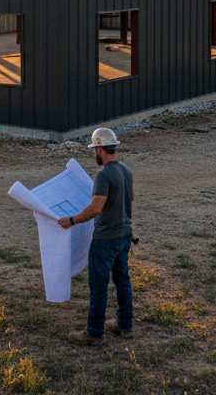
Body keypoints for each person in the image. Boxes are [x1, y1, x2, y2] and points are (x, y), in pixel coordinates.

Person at [59, 126, 134, 344]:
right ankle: (125, 325)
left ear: (100, 150)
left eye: (95, 150)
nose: (95, 154)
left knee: (99, 285)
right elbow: (130, 198)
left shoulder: (103, 175)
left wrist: (71, 220)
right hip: (124, 235)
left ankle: (93, 332)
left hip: (105, 240)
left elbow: (95, 208)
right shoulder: (126, 171)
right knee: (122, 281)